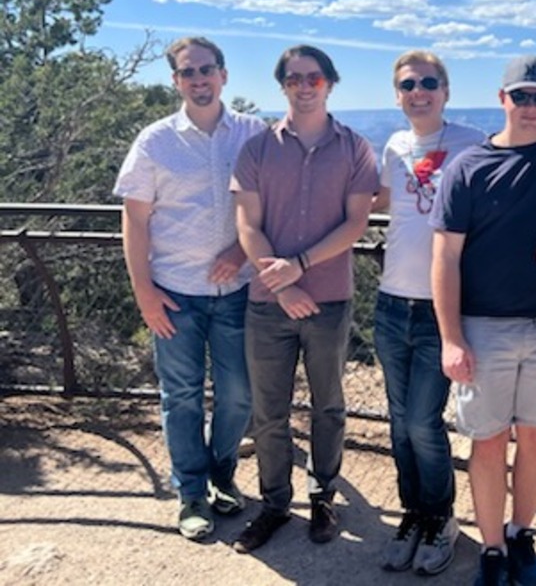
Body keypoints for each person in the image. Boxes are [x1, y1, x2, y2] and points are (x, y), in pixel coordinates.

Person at [430, 54, 536, 586]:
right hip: (484, 325)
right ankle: (490, 548)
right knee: (487, 441)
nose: (531, 107)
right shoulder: (468, 168)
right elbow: (446, 258)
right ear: (502, 100)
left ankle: (521, 533)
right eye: (521, 96)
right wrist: (451, 338)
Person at [114, 36, 267, 540]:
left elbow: (272, 207)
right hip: (173, 292)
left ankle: (223, 475)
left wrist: (242, 251)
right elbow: (135, 221)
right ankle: (192, 494)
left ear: (224, 74)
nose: (199, 79)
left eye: (207, 69)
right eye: (188, 72)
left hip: (239, 291)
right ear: (176, 81)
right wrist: (144, 293)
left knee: (239, 395)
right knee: (180, 397)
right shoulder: (154, 141)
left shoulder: (253, 133)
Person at [230, 45, 379, 553]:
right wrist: (284, 283)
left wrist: (301, 267)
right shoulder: (256, 149)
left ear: (330, 83)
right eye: (294, 78)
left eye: (314, 77)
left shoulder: (355, 148)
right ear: (283, 86)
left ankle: (322, 498)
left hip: (329, 301)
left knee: (329, 407)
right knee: (268, 411)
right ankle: (274, 505)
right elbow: (247, 224)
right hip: (269, 301)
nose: (304, 85)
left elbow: (356, 223)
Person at [373, 51, 482, 575]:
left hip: (442, 307)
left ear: (446, 90)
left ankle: (441, 517)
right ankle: (413, 514)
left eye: (429, 82)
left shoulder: (471, 143)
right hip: (391, 301)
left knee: (421, 421)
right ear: (397, 94)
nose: (419, 91)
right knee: (398, 423)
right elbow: (382, 207)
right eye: (408, 84)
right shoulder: (394, 145)